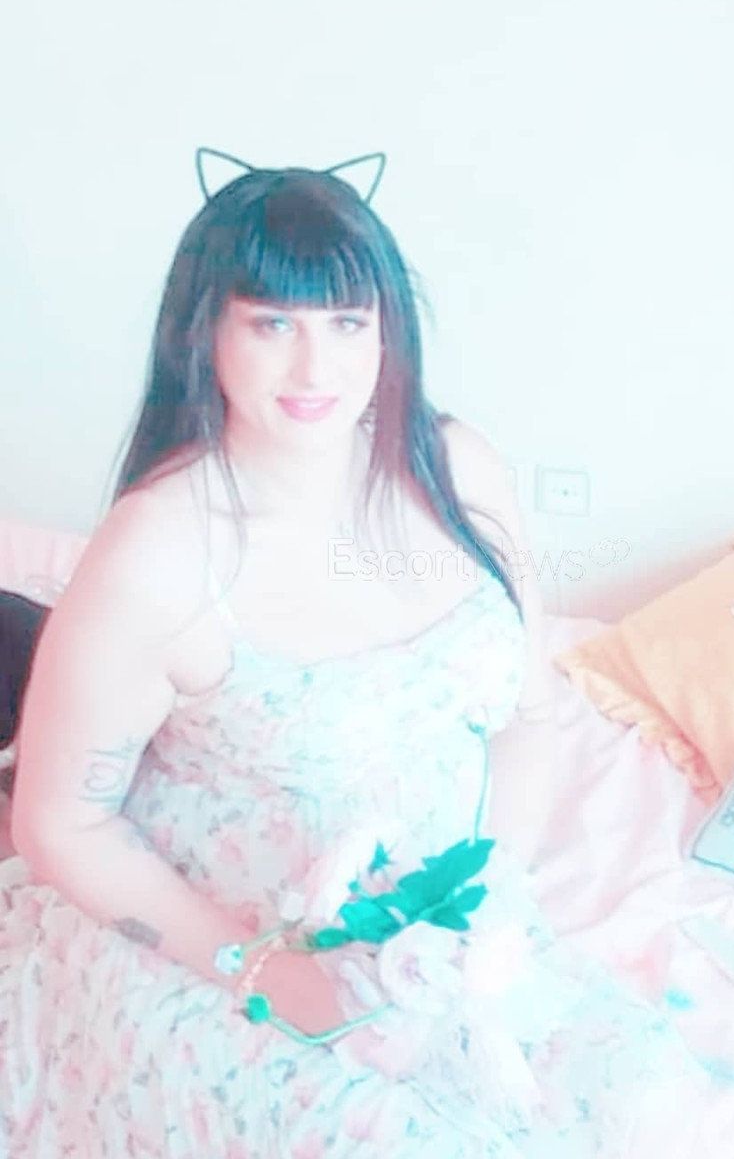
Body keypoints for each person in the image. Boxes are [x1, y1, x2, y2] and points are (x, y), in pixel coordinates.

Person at [0, 157, 698, 1157]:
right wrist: (271, 974)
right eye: (272, 324)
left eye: (345, 322)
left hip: (438, 934)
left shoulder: (456, 467)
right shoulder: (158, 553)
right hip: (221, 943)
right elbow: (60, 823)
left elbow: (526, 713)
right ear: (207, 332)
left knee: (645, 1094)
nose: (314, 368)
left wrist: (481, 895)